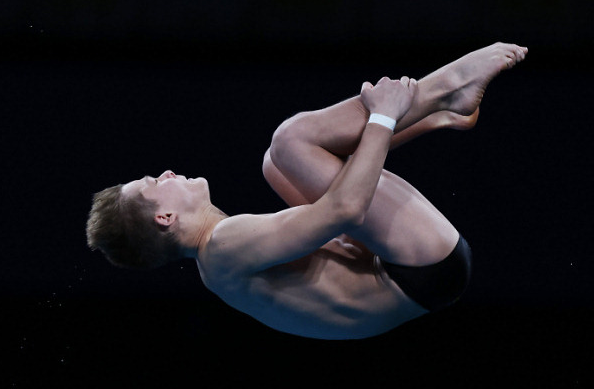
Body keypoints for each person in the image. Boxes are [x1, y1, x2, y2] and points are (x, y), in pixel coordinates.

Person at [87, 42, 528, 339]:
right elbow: (348, 208)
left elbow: (345, 203)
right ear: (165, 219)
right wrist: (383, 116)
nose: (165, 173)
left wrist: (396, 123)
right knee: (290, 141)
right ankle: (448, 87)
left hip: (408, 275)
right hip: (422, 269)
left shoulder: (217, 265)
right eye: (153, 183)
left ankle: (438, 112)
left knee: (276, 163)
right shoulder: (223, 245)